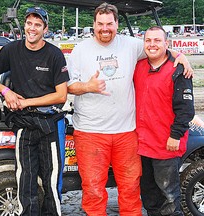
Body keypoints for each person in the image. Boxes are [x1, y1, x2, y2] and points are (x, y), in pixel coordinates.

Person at [67, 3, 193, 216]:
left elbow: (156, 47)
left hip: (127, 132)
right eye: (100, 24)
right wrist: (88, 87)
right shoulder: (80, 50)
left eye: (109, 24)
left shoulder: (130, 45)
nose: (104, 28)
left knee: (130, 188)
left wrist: (181, 56)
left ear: (117, 24)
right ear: (93, 24)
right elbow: (68, 86)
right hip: (90, 132)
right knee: (93, 189)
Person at [0, 6, 69, 216]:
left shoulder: (54, 54)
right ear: (24, 25)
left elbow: (61, 95)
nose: (32, 29)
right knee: (25, 179)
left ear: (45, 28)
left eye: (38, 25)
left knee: (51, 181)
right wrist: (6, 91)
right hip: (23, 124)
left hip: (50, 123)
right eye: (29, 23)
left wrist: (27, 102)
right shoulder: (11, 49)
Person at [134, 26, 195, 216]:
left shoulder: (179, 70)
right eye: (148, 40)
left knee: (169, 199)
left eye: (157, 40)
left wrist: (175, 135)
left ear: (166, 43)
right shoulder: (139, 67)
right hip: (143, 145)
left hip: (166, 145)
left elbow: (186, 109)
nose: (152, 45)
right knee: (150, 197)